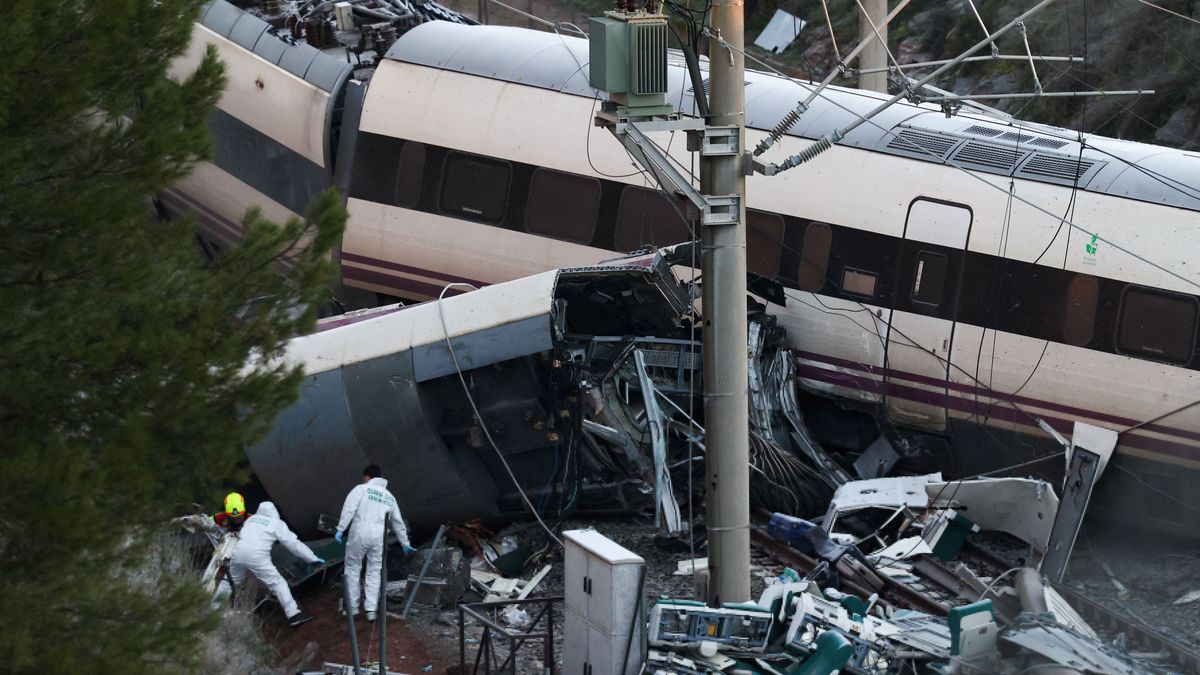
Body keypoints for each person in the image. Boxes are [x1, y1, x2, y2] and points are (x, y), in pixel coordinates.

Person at [335, 464, 415, 621]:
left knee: (352, 567)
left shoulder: (361, 489)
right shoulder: (389, 496)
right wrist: (404, 543)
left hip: (360, 531)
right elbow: (398, 522)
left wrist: (340, 528)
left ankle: (353, 607)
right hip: (379, 536)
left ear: (367, 476)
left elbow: (349, 509)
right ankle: (371, 609)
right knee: (374, 570)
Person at [230, 501, 325, 627]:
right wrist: (312, 558)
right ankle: (294, 615)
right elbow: (293, 544)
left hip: (236, 553)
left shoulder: (251, 519)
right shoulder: (277, 523)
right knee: (277, 582)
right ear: (275, 513)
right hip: (256, 556)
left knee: (232, 581)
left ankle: (216, 606)